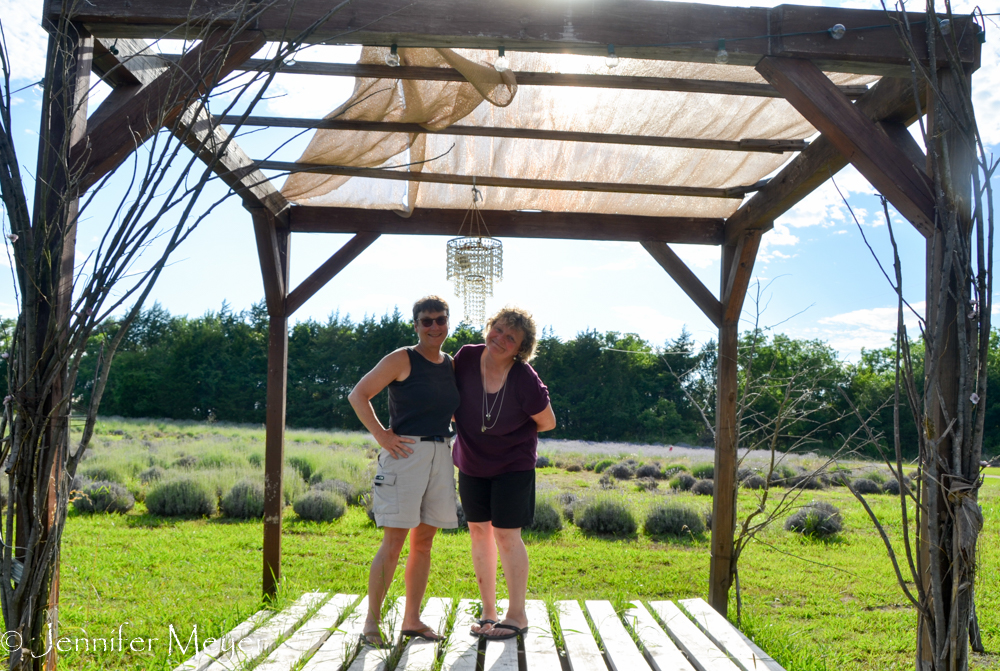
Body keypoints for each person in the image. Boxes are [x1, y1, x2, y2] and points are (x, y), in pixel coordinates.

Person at [348, 296, 461, 647]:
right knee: (394, 542)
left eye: (440, 320)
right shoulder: (402, 358)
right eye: (425, 321)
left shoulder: (452, 364)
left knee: (424, 542)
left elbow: (453, 409)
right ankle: (371, 623)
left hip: (442, 454)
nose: (434, 327)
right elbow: (358, 395)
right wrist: (383, 436)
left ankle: (412, 620)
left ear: (447, 323)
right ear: (415, 325)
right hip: (405, 454)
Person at [452, 307, 557, 640]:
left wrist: (509, 432)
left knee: (507, 535)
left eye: (510, 338)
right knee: (478, 533)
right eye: (497, 329)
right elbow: (448, 397)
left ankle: (517, 615)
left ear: (520, 349)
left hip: (513, 465)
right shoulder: (466, 357)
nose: (499, 339)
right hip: (471, 462)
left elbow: (548, 421)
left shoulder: (524, 377)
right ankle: (488, 612)